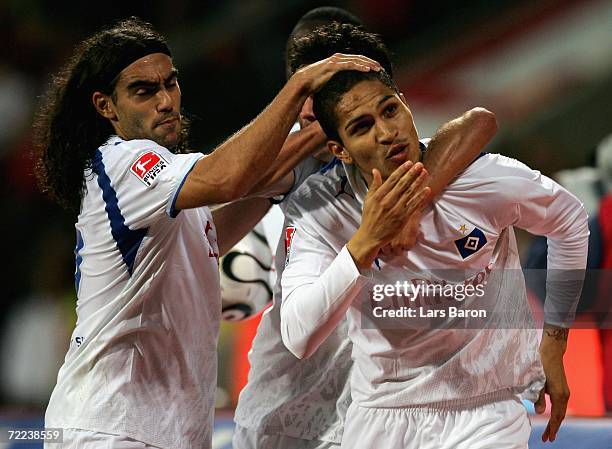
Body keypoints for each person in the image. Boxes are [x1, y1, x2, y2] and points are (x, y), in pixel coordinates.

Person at [32, 16, 382, 449]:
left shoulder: (167, 192)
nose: (165, 101)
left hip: (158, 429)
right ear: (106, 106)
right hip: (111, 425)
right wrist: (302, 92)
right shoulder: (125, 162)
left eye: (171, 84)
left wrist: (278, 184)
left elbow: (216, 224)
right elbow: (229, 178)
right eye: (144, 91)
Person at [279, 67, 589, 448]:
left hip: (484, 408)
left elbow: (570, 223)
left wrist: (554, 341)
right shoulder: (321, 208)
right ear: (338, 149)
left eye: (390, 111)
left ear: (406, 106)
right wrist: (364, 244)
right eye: (361, 127)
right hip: (380, 413)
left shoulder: (482, 178)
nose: (386, 132)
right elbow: (298, 337)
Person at [233, 19, 498, 449]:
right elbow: (227, 185)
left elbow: (478, 123)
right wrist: (321, 126)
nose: (303, 111)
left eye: (314, 95)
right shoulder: (287, 169)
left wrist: (413, 203)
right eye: (300, 94)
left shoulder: (399, 155)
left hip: (372, 416)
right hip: (284, 419)